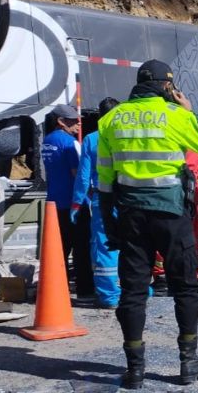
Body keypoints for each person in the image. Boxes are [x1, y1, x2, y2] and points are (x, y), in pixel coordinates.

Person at [97, 59, 198, 388]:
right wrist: (192, 112)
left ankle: (135, 370)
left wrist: (110, 225)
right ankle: (188, 362)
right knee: (186, 288)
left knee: (133, 292)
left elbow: (105, 181)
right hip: (171, 215)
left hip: (131, 217)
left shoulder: (111, 119)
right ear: (167, 86)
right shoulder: (175, 115)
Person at [71, 97, 120, 309]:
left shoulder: (91, 139)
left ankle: (109, 297)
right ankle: (139, 290)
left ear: (100, 115)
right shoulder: (128, 135)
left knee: (104, 246)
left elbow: (83, 177)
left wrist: (76, 203)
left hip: (103, 199)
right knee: (133, 245)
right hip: (130, 198)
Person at [41, 104, 94, 300]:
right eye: (73, 120)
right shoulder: (70, 143)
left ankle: (55, 289)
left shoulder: (47, 141)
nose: (78, 124)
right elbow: (79, 174)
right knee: (82, 248)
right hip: (75, 203)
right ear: (61, 122)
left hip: (54, 202)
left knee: (59, 248)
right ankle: (85, 289)